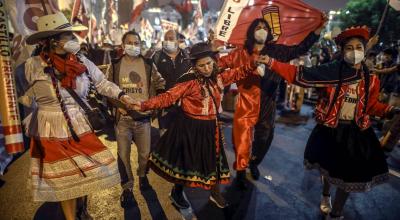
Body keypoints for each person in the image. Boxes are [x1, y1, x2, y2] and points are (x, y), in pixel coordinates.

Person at [261, 26, 400, 220]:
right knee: (329, 170)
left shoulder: (371, 79)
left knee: (348, 177)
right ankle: (326, 194)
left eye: (358, 47)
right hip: (331, 129)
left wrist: (388, 110)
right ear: (342, 52)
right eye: (349, 48)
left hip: (356, 133)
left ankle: (336, 213)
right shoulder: (331, 72)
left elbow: (372, 105)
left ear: (364, 49)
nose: (354, 52)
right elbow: (299, 74)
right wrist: (271, 62)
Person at [19, 13, 135, 220]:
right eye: (68, 36)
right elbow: (22, 93)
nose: (74, 40)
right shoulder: (32, 65)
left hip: (79, 122)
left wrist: (122, 96)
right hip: (50, 127)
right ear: (53, 41)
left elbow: (102, 84)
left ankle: (82, 207)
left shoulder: (82, 61)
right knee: (66, 180)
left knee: (86, 171)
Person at [132, 42, 267, 209]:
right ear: (195, 66)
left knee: (214, 163)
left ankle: (215, 193)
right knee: (186, 164)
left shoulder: (218, 77)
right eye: (201, 65)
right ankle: (177, 192)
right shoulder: (189, 81)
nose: (207, 68)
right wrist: (143, 105)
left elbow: (237, 73)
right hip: (190, 128)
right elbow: (167, 97)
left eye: (209, 63)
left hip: (211, 128)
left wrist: (253, 63)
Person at [217, 18, 325, 187]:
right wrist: (208, 56)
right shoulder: (240, 53)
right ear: (251, 32)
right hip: (246, 102)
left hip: (268, 101)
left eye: (264, 27)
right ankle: (240, 171)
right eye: (258, 27)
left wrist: (316, 31)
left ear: (269, 32)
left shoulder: (277, 51)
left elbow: (300, 49)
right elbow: (219, 64)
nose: (261, 30)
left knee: (265, 138)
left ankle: (254, 162)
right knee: (242, 139)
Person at [107, 30, 165, 208]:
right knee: (123, 155)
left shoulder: (148, 64)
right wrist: (118, 107)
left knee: (144, 154)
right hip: (123, 120)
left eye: (137, 42)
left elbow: (160, 83)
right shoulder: (115, 65)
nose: (134, 45)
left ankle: (142, 175)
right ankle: (127, 188)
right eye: (130, 42)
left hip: (143, 119)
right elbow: (107, 88)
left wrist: (155, 104)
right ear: (123, 46)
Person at [151, 29, 192, 131]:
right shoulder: (156, 57)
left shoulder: (187, 57)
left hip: (184, 105)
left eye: (171, 39)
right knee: (165, 137)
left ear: (178, 41)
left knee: (183, 137)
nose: (167, 41)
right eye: (166, 39)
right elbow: (151, 80)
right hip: (164, 105)